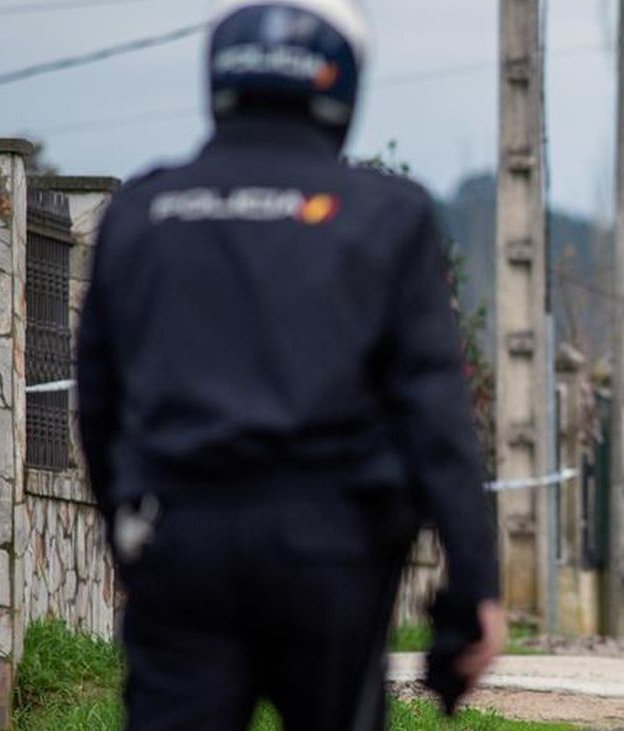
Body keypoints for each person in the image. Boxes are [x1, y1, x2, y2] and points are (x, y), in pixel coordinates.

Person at [75, 1, 503, 727]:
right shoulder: (386, 214)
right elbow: (433, 410)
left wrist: (133, 528)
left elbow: (97, 401)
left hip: (180, 538)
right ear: (339, 86)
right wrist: (475, 582)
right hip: (332, 552)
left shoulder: (143, 209)